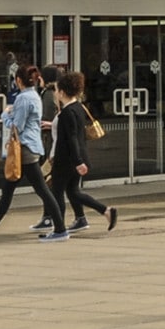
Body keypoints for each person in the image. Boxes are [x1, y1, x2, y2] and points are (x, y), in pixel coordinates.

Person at [0, 63, 68, 242]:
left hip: (25, 149)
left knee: (41, 190)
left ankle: (60, 229)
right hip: (32, 146)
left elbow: (17, 126)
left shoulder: (23, 98)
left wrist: (5, 114)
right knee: (13, 190)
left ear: (19, 80)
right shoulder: (35, 96)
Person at [42, 71, 116, 233]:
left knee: (56, 193)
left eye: (56, 90)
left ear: (62, 92)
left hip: (66, 160)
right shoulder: (78, 107)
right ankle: (106, 210)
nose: (55, 93)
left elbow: (72, 138)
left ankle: (59, 229)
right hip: (76, 159)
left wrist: (78, 162)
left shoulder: (66, 113)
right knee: (73, 192)